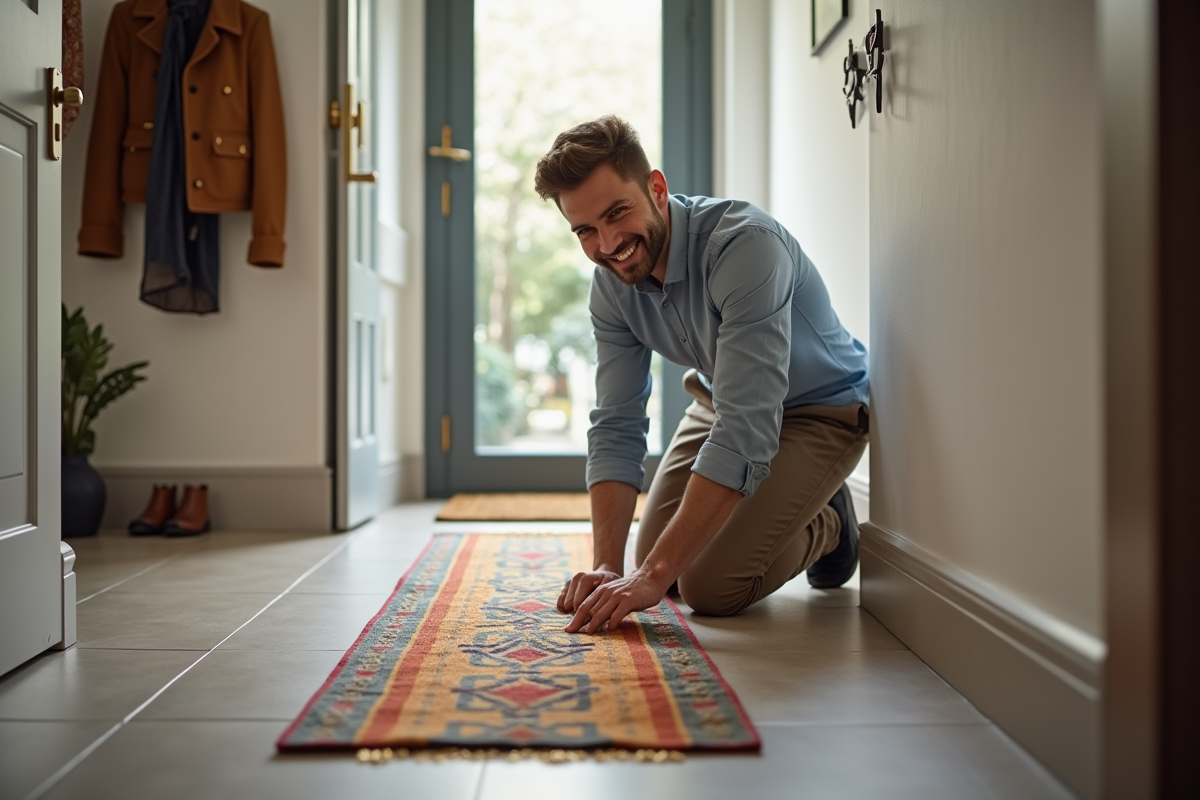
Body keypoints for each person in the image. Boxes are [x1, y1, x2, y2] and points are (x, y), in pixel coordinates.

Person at [535, 116, 870, 635]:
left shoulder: (746, 246)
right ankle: (785, 501)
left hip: (821, 412)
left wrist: (650, 574)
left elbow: (746, 429)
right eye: (585, 230)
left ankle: (827, 521)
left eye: (617, 213)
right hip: (723, 401)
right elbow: (617, 423)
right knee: (658, 564)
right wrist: (610, 566)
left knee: (709, 586)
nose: (608, 244)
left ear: (657, 188)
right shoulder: (611, 286)